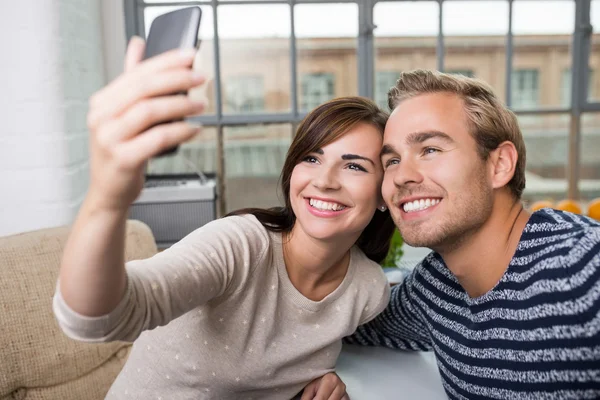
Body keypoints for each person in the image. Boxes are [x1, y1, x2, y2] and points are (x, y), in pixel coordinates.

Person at [52, 36, 396, 400]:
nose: (324, 181)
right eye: (311, 158)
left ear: (383, 194)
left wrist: (321, 385)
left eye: (354, 166)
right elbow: (99, 319)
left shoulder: (368, 290)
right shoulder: (239, 245)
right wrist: (107, 198)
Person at [344, 70, 600, 399]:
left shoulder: (586, 268)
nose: (401, 176)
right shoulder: (433, 287)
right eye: (392, 160)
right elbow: (356, 324)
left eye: (430, 149)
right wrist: (307, 369)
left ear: (500, 165)